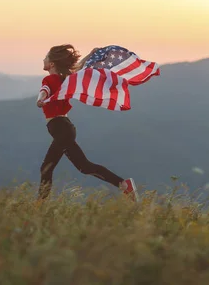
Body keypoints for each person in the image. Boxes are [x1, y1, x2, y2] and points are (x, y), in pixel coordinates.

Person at [36, 44, 138, 201]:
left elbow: (45, 90)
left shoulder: (49, 79)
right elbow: (78, 68)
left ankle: (39, 206)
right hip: (65, 127)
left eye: (46, 57)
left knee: (47, 167)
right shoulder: (66, 79)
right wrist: (90, 54)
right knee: (84, 166)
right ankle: (124, 185)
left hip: (61, 128)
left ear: (52, 64)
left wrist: (40, 99)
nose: (43, 59)